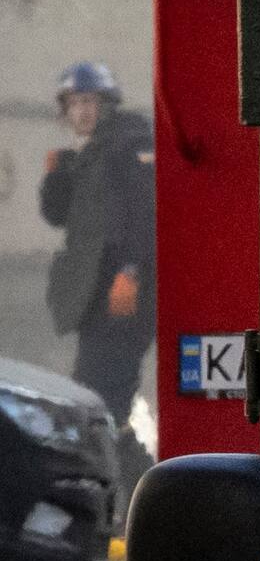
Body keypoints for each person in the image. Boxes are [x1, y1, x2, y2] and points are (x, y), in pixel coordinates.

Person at [39, 60, 149, 419]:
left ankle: (119, 468)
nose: (82, 110)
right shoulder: (86, 156)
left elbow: (145, 215)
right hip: (93, 293)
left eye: (90, 101)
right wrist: (57, 176)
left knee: (99, 396)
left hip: (123, 289)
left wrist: (130, 272)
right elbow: (57, 216)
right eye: (74, 103)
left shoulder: (129, 143)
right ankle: (125, 466)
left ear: (106, 104)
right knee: (96, 396)